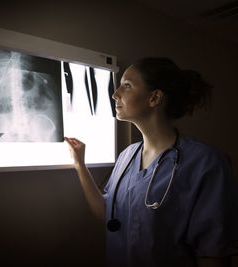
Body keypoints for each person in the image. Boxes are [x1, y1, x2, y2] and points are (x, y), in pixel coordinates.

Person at [65, 57, 238, 267]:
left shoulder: (206, 163)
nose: (115, 94)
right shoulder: (127, 156)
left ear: (155, 98)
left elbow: (213, 252)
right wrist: (79, 165)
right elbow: (107, 213)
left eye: (126, 86)